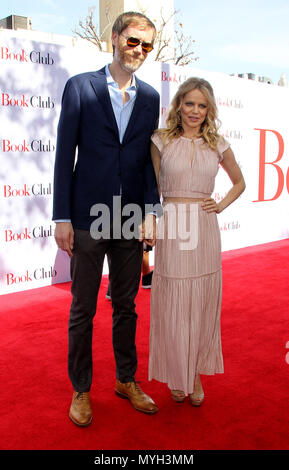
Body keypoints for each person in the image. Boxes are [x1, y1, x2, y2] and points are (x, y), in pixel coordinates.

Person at [53, 11, 160, 427]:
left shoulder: (150, 97)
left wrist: (152, 211)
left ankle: (125, 379)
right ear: (115, 38)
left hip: (131, 216)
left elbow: (149, 163)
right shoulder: (80, 86)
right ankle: (81, 389)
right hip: (86, 215)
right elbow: (65, 155)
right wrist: (62, 216)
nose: (139, 51)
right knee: (82, 307)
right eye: (133, 41)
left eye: (147, 46)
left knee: (127, 305)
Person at [148, 77, 245, 405]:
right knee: (174, 300)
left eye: (202, 105)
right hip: (173, 225)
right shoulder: (161, 140)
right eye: (189, 103)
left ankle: (194, 374)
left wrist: (220, 205)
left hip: (204, 227)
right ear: (178, 105)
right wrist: (149, 222)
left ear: (209, 109)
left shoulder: (217, 142)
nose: (195, 111)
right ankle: (177, 372)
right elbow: (151, 190)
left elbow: (239, 182)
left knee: (200, 304)